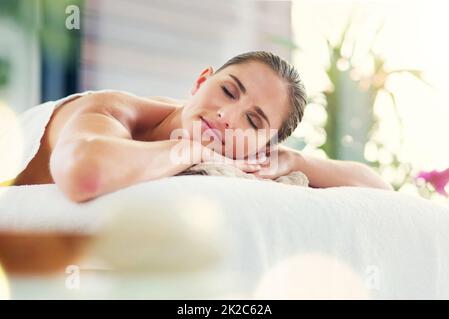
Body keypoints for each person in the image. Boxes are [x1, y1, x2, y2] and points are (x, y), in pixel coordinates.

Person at [11, 51, 392, 202]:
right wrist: (193, 149)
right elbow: (83, 174)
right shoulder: (110, 111)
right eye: (228, 91)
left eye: (253, 120)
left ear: (262, 145)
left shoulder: (253, 157)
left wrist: (294, 160)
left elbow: (380, 189)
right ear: (200, 81)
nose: (228, 116)